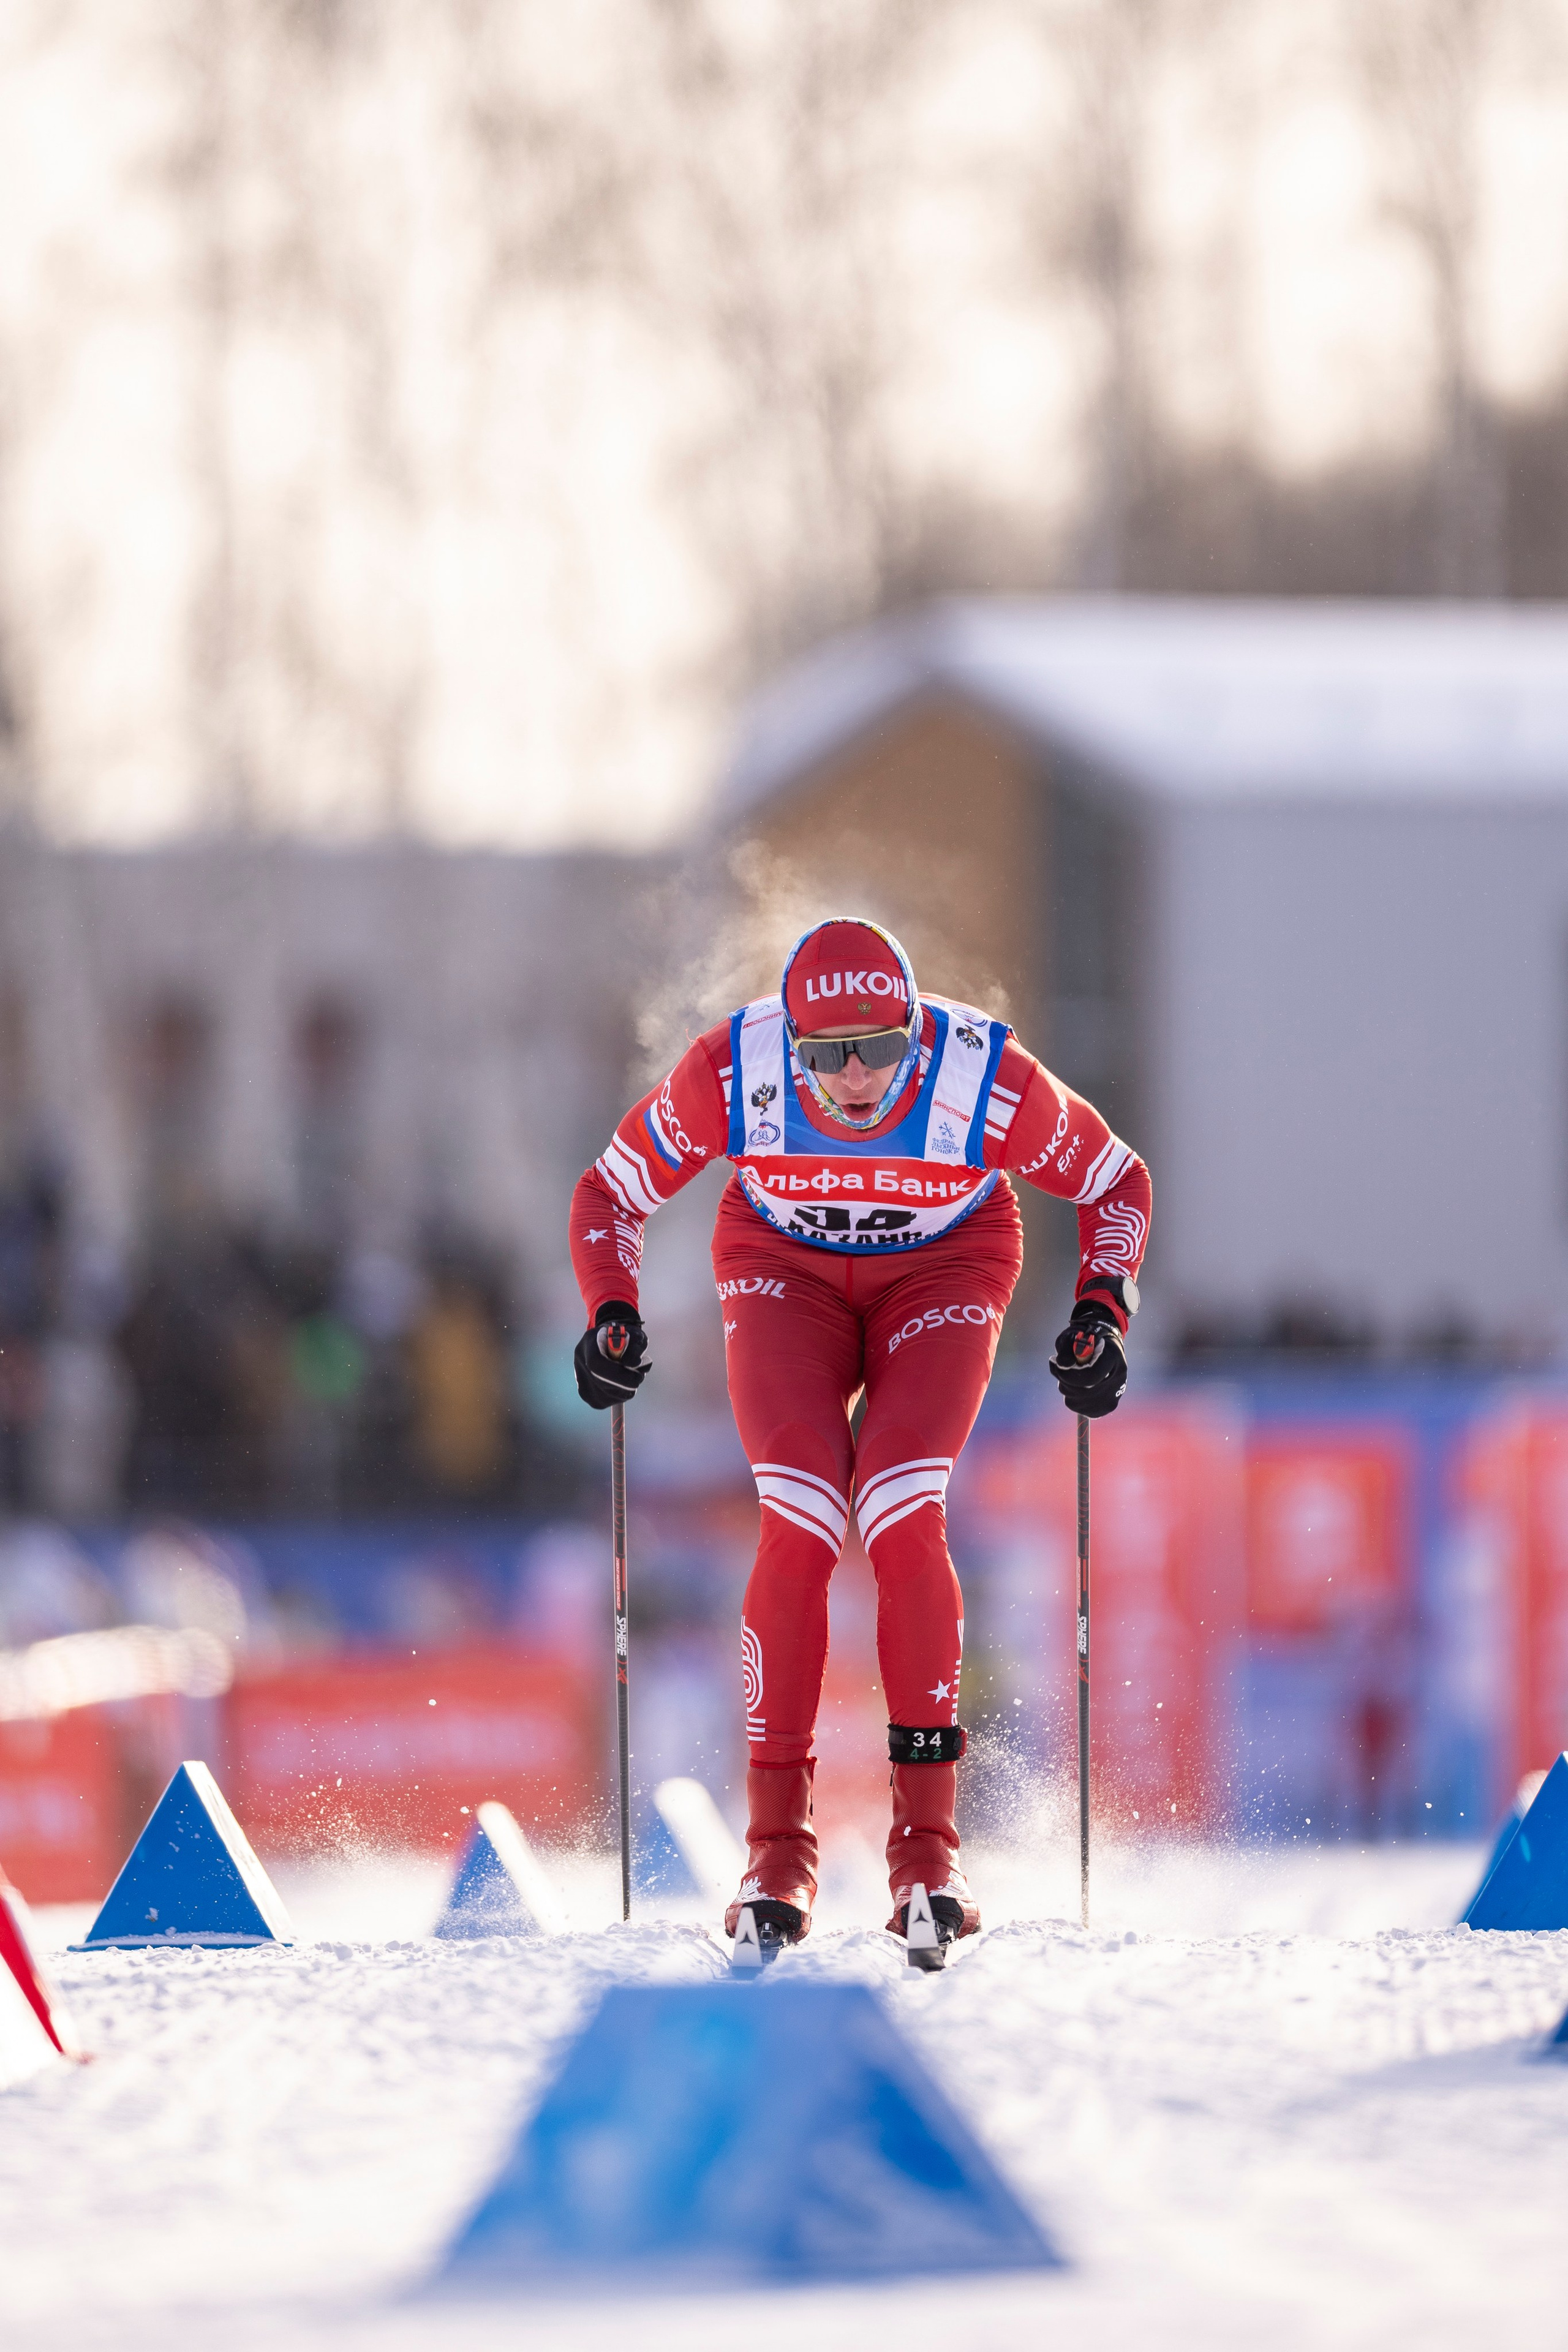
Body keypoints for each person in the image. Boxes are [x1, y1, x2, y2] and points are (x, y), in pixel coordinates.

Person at [568, 917, 1150, 1958]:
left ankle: (929, 1855)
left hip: (945, 1267)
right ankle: (775, 1857)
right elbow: (611, 1193)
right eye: (824, 1055)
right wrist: (612, 1309)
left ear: (917, 1031)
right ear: (786, 1043)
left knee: (898, 1508)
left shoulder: (985, 1080)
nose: (851, 1078)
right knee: (797, 1517)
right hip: (783, 1271)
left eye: (878, 1047)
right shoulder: (730, 1068)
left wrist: (1103, 1307)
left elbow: (1117, 1182)